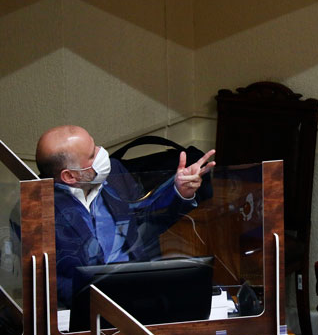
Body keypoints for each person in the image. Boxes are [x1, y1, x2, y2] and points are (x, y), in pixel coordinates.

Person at [35, 125, 215, 307]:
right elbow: (52, 285)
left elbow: (146, 219)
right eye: (91, 155)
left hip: (142, 290)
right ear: (70, 176)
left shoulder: (115, 173)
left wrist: (180, 192)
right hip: (87, 306)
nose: (101, 153)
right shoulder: (37, 212)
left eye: (95, 146)